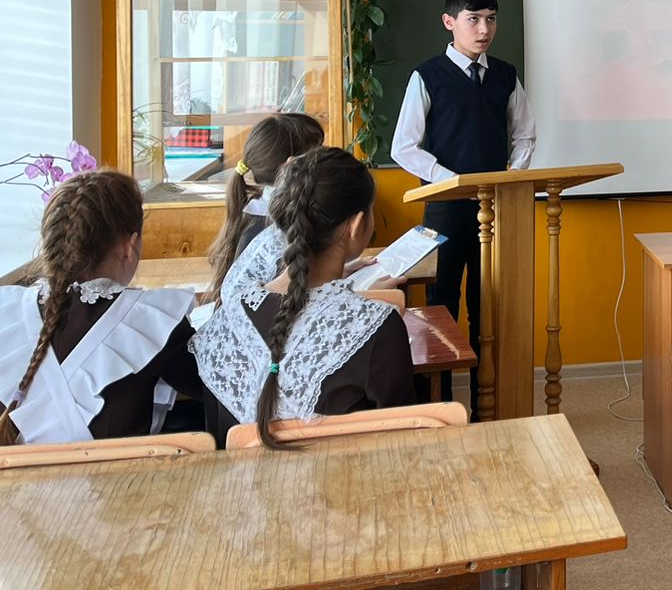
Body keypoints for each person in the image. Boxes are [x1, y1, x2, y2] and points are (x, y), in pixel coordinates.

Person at [192, 146, 414, 446]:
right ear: (356, 225)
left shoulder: (225, 323)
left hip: (240, 478)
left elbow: (218, 441)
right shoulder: (378, 327)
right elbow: (404, 441)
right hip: (349, 476)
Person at [391, 0, 535, 399]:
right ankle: (438, 404)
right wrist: (450, 180)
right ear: (449, 22)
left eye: (491, 19)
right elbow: (403, 147)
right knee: (442, 307)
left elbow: (525, 136)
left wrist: (511, 177)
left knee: (487, 307)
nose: (483, 29)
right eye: (473, 19)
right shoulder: (427, 76)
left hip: (495, 209)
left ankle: (485, 402)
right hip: (445, 209)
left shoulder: (505, 75)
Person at [0, 171, 199, 444]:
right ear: (130, 246)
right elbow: (212, 385)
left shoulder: (7, 311)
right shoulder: (152, 320)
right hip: (122, 473)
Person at [208, 112, 325, 302]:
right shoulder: (275, 230)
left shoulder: (255, 209)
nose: (325, 163)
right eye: (318, 154)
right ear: (292, 166)